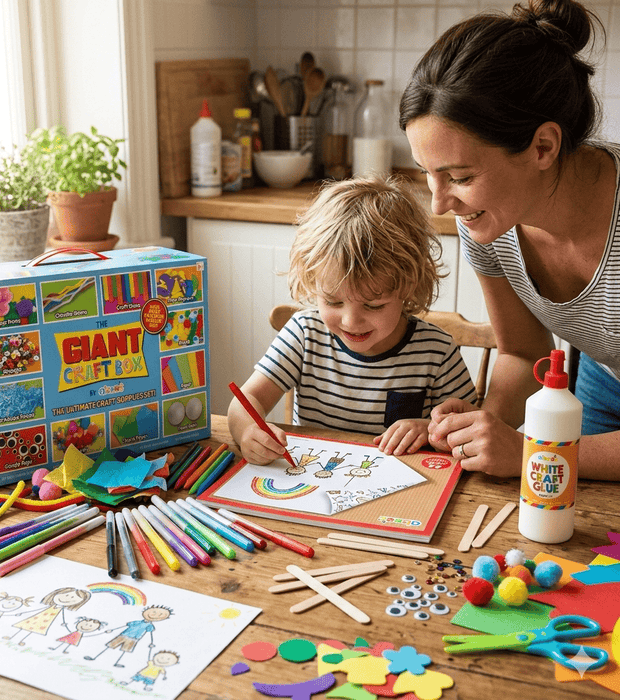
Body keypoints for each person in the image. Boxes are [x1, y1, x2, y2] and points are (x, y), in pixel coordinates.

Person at [399, 0, 620, 479]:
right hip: (607, 380)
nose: (439, 204)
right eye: (427, 175)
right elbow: (524, 351)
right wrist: (484, 425)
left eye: (458, 176)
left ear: (543, 146)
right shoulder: (489, 220)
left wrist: (530, 453)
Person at [228, 176, 476, 465]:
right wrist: (248, 431)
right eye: (333, 301)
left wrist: (430, 432)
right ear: (313, 280)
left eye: (373, 305)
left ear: (408, 285)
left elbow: (468, 429)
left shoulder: (437, 351)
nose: (351, 321)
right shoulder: (304, 334)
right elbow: (244, 403)